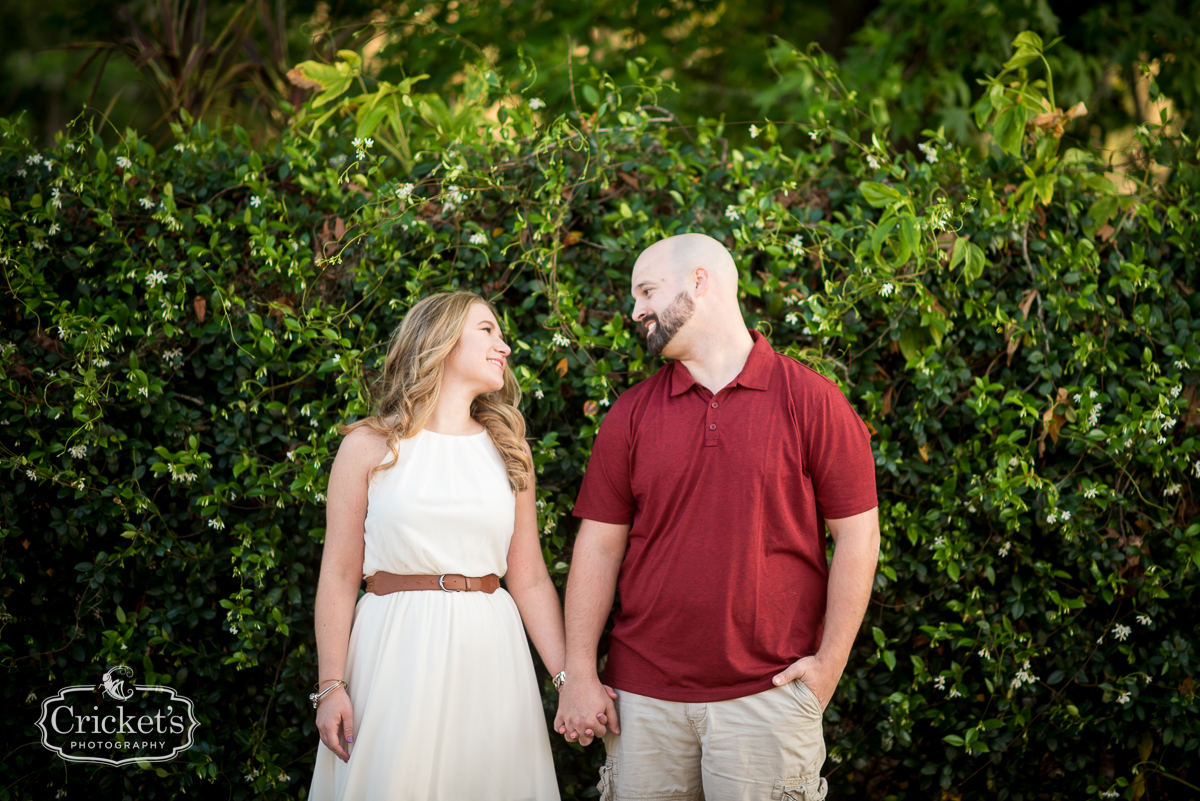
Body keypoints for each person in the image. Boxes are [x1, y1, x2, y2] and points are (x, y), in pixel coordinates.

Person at [554, 233, 880, 800]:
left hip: (768, 699)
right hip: (644, 702)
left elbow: (858, 536)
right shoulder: (631, 415)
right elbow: (598, 547)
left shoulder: (812, 401)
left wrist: (829, 665)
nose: (636, 311)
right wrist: (580, 672)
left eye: (648, 291)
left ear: (699, 281)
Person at [308, 291, 563, 800]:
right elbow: (338, 576)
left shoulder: (510, 451)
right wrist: (330, 686)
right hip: (394, 647)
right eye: (488, 331)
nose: (505, 346)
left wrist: (567, 679)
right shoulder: (368, 446)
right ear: (442, 341)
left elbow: (530, 577)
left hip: (491, 650)